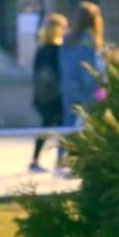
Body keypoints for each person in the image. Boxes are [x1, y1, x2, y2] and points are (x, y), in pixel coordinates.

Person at [58, 2, 105, 174]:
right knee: (90, 127)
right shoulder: (90, 41)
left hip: (69, 89)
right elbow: (91, 70)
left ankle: (61, 160)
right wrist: (98, 91)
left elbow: (63, 66)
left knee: (68, 125)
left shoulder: (67, 40)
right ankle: (88, 163)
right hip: (88, 91)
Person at [29, 13, 68, 173]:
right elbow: (62, 73)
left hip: (42, 96)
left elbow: (35, 73)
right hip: (56, 96)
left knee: (45, 126)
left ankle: (35, 160)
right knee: (61, 128)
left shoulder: (41, 49)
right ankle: (60, 161)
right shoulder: (59, 50)